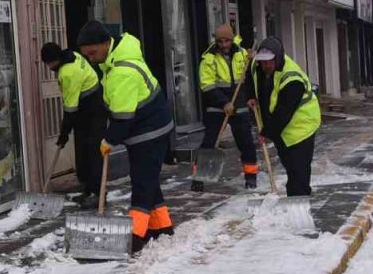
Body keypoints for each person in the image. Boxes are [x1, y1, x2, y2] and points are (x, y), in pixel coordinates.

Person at [75, 21, 175, 253]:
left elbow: (122, 118)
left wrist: (108, 140)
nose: (90, 59)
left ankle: (136, 235)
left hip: (149, 130)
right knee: (147, 178)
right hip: (145, 127)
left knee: (142, 181)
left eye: (93, 53)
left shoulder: (122, 71)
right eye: (86, 55)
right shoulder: (115, 60)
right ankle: (162, 227)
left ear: (106, 43)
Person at [247, 36, 321, 197]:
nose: (265, 65)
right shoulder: (257, 65)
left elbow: (283, 112)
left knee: (299, 170)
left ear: (278, 58)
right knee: (289, 166)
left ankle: (300, 202)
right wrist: (251, 96)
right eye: (262, 61)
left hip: (302, 126)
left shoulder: (292, 79)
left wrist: (266, 133)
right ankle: (294, 197)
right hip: (281, 128)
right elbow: (249, 78)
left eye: (269, 62)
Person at [40, 41, 106, 205]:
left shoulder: (68, 73)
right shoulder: (73, 55)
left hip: (94, 110)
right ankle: (88, 190)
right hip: (87, 107)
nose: (49, 67)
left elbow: (70, 108)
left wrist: (64, 133)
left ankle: (98, 195)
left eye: (49, 64)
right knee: (84, 152)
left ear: (53, 60)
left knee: (93, 153)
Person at [197, 24, 259, 190]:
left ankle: (251, 176)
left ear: (232, 40)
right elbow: (207, 85)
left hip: (239, 105)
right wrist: (223, 102)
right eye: (221, 41)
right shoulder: (208, 59)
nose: (224, 45)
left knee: (246, 143)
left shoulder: (241, 54)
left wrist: (253, 59)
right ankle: (199, 178)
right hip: (216, 107)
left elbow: (251, 75)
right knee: (209, 143)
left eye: (227, 41)